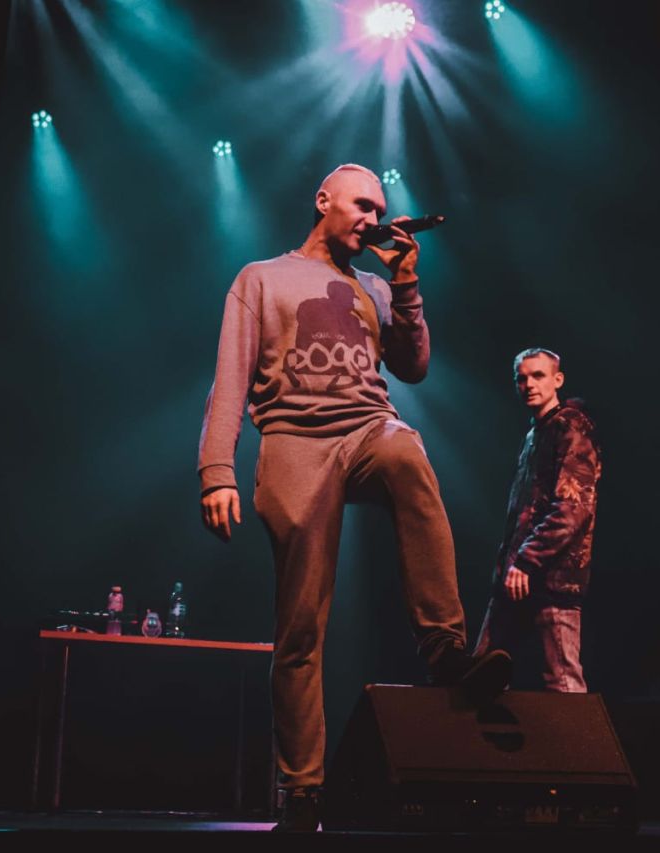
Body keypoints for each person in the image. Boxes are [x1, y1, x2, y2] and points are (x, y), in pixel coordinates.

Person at [197, 164, 511, 831]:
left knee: (406, 450)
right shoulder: (262, 278)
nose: (373, 220)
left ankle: (445, 648)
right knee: (300, 626)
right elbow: (229, 378)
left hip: (367, 428)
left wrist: (407, 283)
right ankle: (302, 790)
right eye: (363, 206)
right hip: (294, 442)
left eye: (380, 211)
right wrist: (217, 471)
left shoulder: (374, 286)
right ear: (324, 200)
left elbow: (413, 367)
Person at [473, 348, 601, 693]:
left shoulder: (571, 426)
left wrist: (527, 560)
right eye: (522, 378)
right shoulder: (535, 434)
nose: (529, 384)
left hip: (552, 579)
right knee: (481, 677)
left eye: (538, 375)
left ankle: (577, 735)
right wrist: (509, 566)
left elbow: (572, 507)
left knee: (564, 683)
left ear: (558, 380)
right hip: (517, 575)